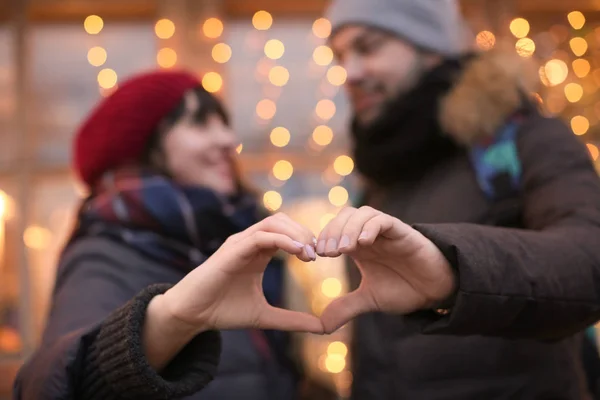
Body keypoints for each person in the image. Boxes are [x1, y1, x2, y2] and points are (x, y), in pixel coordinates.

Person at [313, 0, 600, 398]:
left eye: (368, 47)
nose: (350, 72)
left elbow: (590, 258)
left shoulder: (525, 139)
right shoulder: (385, 170)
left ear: (430, 46)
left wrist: (452, 270)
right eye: (340, 55)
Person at [13, 70, 330, 400]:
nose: (226, 139)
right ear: (146, 147)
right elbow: (56, 383)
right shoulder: (104, 251)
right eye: (199, 123)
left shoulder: (231, 232)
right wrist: (167, 322)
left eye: (223, 123)